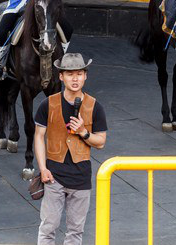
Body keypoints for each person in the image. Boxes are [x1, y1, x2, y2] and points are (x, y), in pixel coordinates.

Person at [34, 53, 106, 245]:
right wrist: (43, 168)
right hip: (53, 176)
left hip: (81, 178)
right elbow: (39, 136)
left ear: (85, 76)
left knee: (75, 231)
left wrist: (83, 132)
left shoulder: (94, 106)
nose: (75, 79)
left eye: (79, 74)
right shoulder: (47, 104)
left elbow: (101, 142)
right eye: (70, 74)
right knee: (48, 226)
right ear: (61, 77)